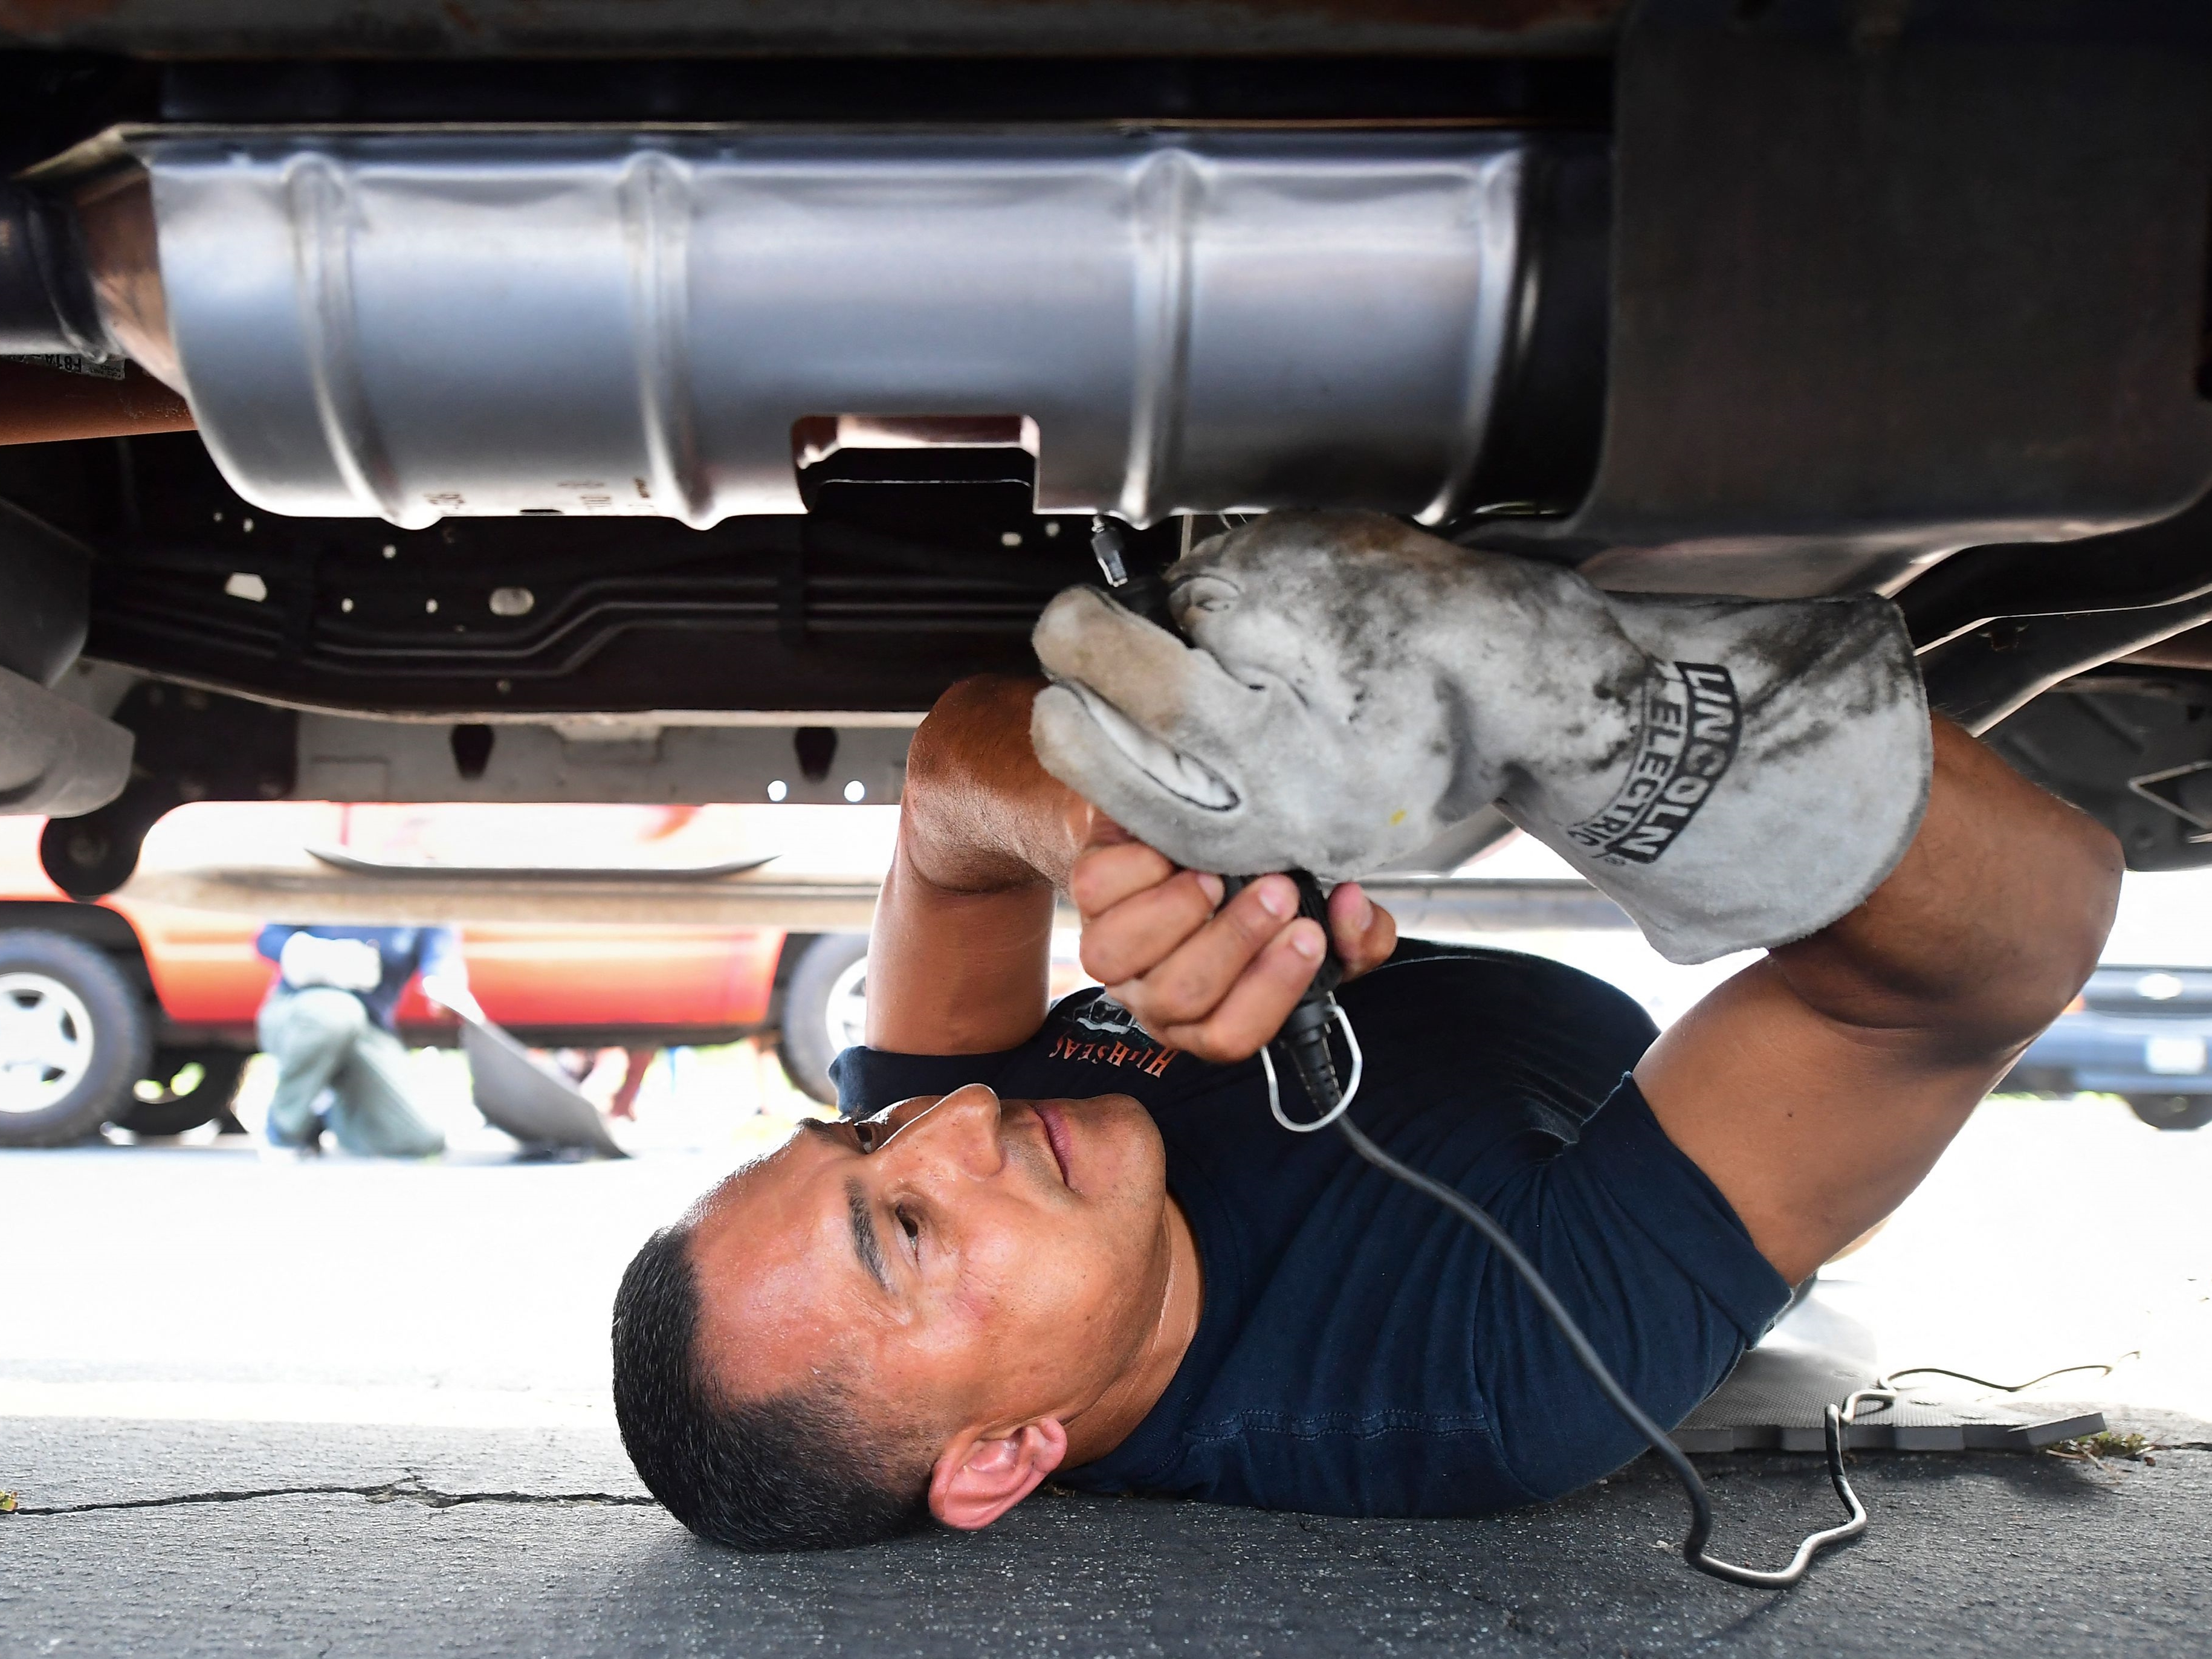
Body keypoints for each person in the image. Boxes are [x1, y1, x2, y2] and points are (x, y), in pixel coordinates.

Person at [610, 514, 2120, 1550]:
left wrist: (1117, 835)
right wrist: (1582, 699)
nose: (949, 1124)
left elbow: (948, 785)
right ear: (1003, 1456)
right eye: (905, 1236)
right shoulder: (1483, 1377)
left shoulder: (982, 1139)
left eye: (856, 1132)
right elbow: (2000, 953)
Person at [254, 923, 470, 1159]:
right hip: (301, 1012)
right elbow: (267, 939)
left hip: (369, 1030)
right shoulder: (326, 887)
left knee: (422, 1139)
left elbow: (442, 960)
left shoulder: (425, 902)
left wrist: (444, 989)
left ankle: (330, 1115)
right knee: (337, 1014)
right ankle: (284, 1130)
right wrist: (327, 957)